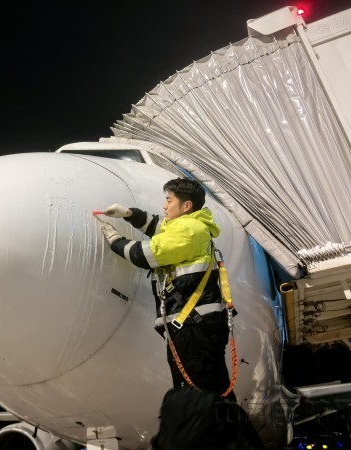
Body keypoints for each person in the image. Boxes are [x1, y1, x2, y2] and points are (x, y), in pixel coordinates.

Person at [97, 177, 265, 450]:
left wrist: (115, 240)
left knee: (197, 401)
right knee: (211, 396)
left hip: (193, 328)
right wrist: (129, 214)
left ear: (186, 206)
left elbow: (146, 254)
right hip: (197, 326)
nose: (164, 206)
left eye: (169, 200)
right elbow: (159, 227)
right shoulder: (190, 225)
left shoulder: (189, 230)